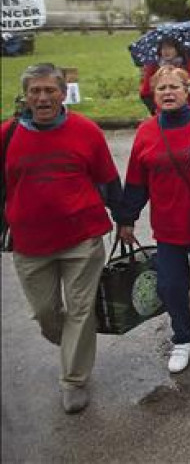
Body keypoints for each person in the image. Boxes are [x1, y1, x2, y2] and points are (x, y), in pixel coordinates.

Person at [2, 63, 122, 413]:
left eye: (49, 90)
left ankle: (74, 380)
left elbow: (108, 180)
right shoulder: (7, 135)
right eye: (35, 91)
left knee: (82, 311)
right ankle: (72, 342)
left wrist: (124, 218)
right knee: (46, 314)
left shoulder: (86, 131)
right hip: (30, 243)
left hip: (81, 237)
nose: (42, 98)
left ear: (62, 93)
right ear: (25, 96)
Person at [116, 66, 190, 374]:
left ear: (188, 90)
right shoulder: (146, 131)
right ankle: (183, 337)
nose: (167, 93)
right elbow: (136, 181)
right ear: (153, 94)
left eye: (174, 87)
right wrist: (127, 219)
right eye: (161, 88)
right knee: (170, 286)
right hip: (167, 227)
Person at [138, 36, 190, 114]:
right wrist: (154, 110)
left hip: (187, 110)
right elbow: (145, 93)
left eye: (170, 48)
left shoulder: (187, 64)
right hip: (162, 111)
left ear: (177, 49)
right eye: (163, 48)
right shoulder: (153, 65)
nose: (166, 51)